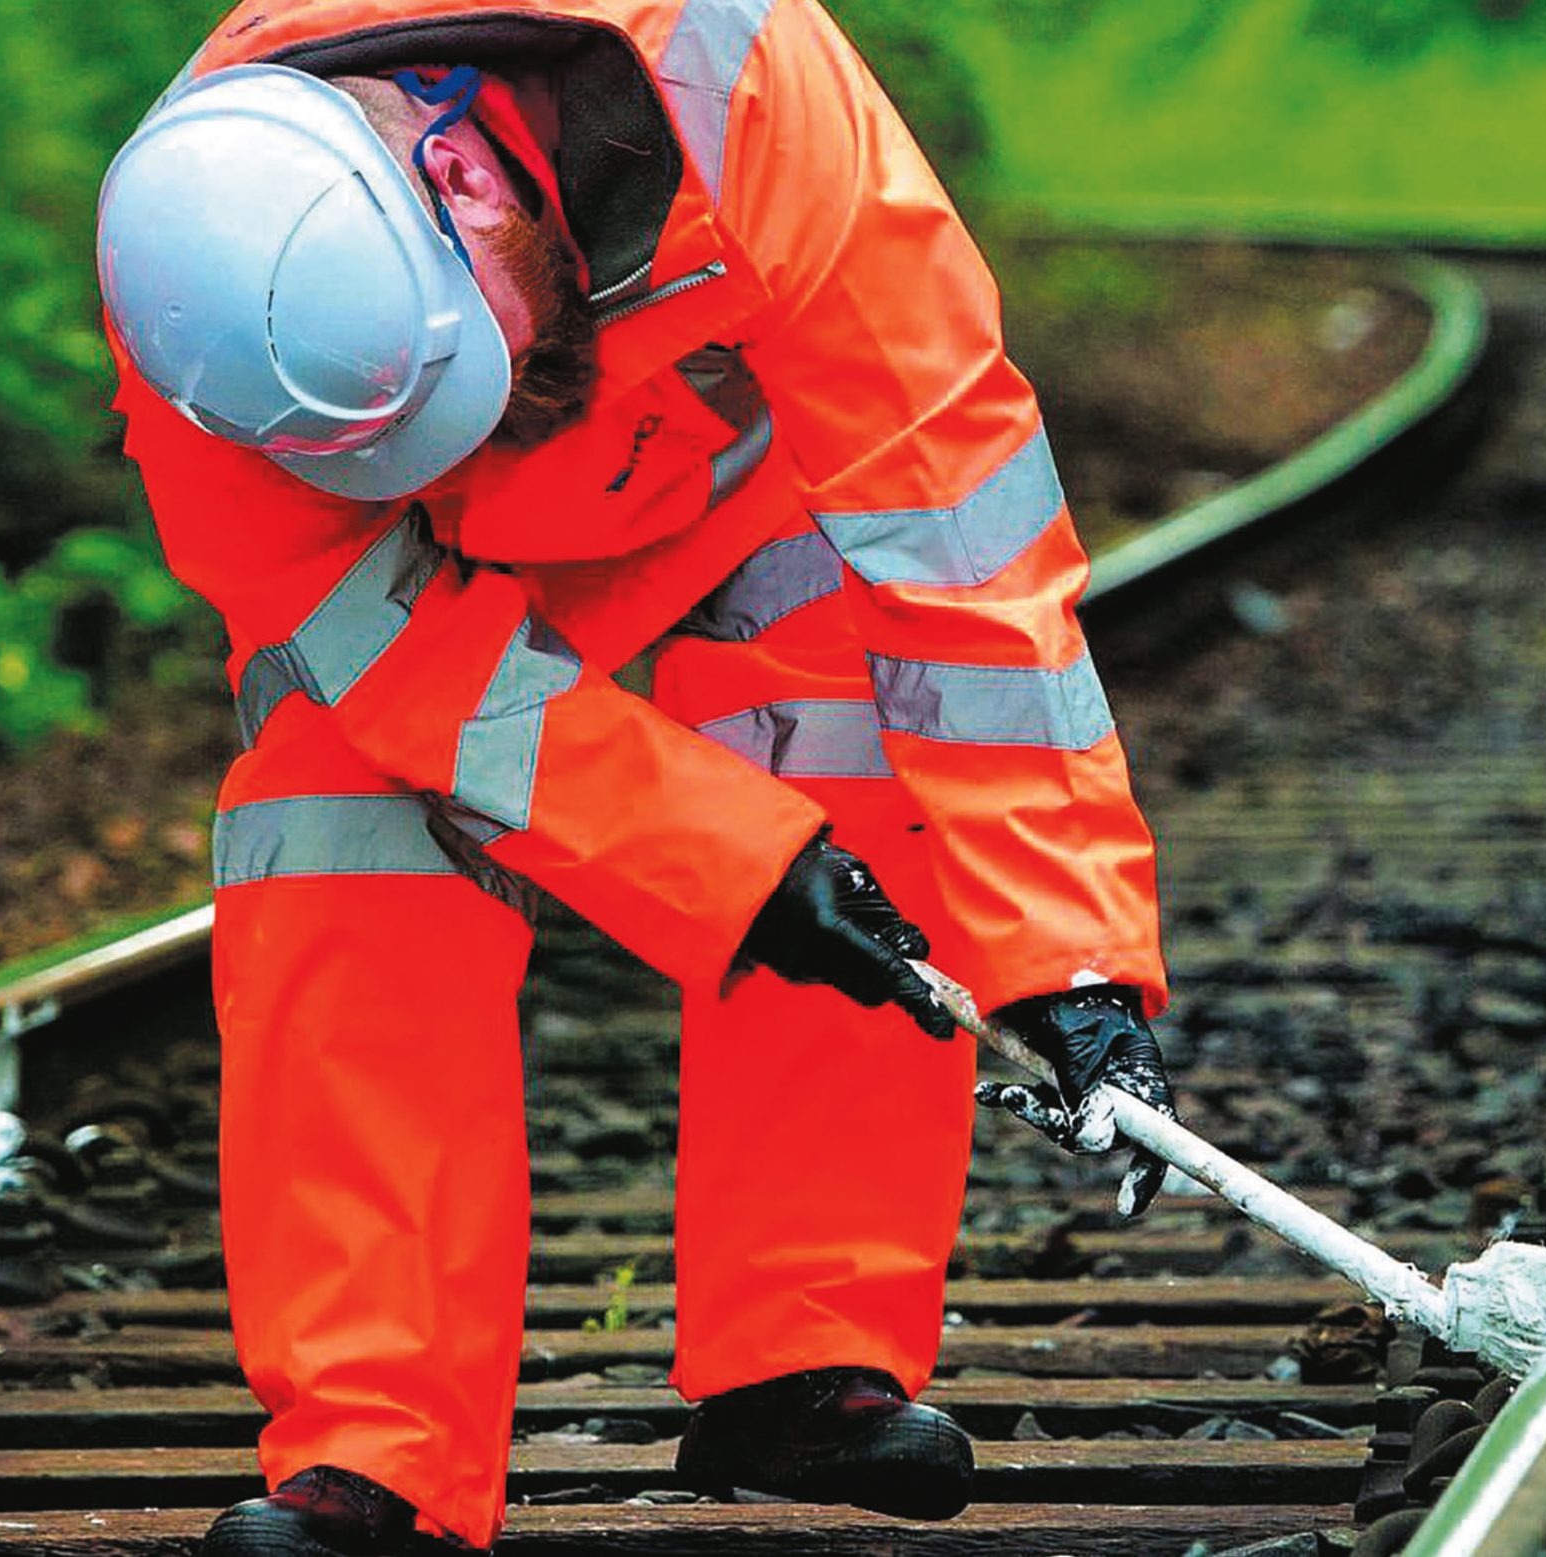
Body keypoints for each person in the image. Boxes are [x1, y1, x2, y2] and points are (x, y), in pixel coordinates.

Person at [93, 3, 1180, 1552]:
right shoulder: (198, 289)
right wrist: (723, 860)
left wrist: (1071, 958)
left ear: (465, 168)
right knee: (328, 828)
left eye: (485, 368)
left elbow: (953, 528)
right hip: (425, 594)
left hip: (741, 504)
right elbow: (377, 643)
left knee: (863, 726)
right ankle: (371, 1456)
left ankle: (805, 1360)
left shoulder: (746, 82)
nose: (501, 408)